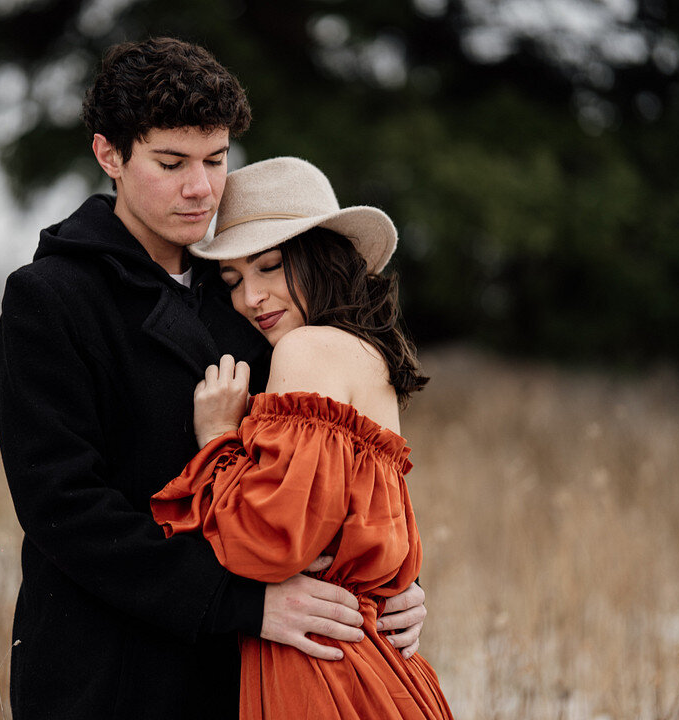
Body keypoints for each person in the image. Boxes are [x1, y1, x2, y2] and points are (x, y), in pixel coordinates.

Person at [0, 39, 427, 720]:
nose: (201, 187)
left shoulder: (253, 299)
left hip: (246, 677)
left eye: (216, 159)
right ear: (110, 155)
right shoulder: (50, 297)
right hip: (108, 672)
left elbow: (330, 462)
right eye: (171, 163)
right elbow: (63, 507)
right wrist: (245, 603)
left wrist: (391, 582)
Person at [151, 155, 453, 718]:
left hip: (322, 672)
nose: (250, 299)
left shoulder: (305, 349)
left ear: (323, 258)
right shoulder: (369, 357)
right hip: (383, 669)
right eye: (234, 280)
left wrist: (218, 437)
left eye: (269, 267)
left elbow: (265, 543)